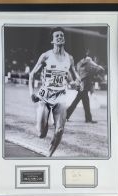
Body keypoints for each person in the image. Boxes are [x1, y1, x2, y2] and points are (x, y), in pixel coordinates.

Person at [29, 27, 80, 157]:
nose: (59, 37)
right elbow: (32, 74)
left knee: (60, 130)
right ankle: (42, 122)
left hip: (61, 97)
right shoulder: (46, 56)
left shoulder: (70, 58)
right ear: (52, 40)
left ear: (64, 39)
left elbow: (74, 76)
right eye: (56, 36)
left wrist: (75, 83)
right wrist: (31, 93)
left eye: (61, 35)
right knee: (41, 134)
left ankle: (49, 155)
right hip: (45, 96)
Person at [66, 52, 105, 123]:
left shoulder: (79, 63)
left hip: (82, 84)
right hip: (84, 84)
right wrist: (99, 68)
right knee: (84, 102)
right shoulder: (88, 61)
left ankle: (67, 116)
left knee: (80, 102)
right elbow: (96, 68)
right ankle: (88, 119)